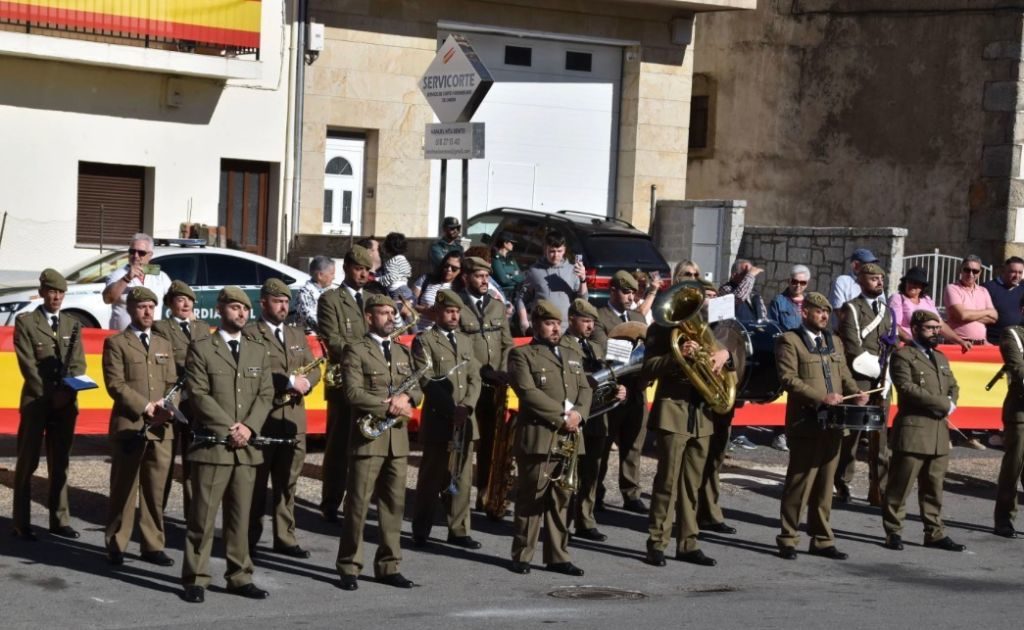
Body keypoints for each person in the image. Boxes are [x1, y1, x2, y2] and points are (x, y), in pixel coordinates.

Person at [182, 286, 273, 603]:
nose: (241, 313)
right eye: (235, 307)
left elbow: (265, 394)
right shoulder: (202, 348)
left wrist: (249, 427)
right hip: (213, 447)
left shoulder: (258, 350)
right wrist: (230, 428)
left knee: (240, 519)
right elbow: (198, 393)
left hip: (246, 448)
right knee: (202, 519)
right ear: (220, 310)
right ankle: (196, 577)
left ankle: (239, 576)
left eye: (245, 309)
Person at [642, 284, 734, 568]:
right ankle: (657, 543)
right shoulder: (660, 330)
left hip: (701, 415)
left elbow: (723, 362)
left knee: (692, 485)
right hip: (673, 411)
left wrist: (725, 356)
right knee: (667, 482)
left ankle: (688, 543)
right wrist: (677, 355)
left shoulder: (703, 328)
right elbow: (648, 368)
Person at [336, 294, 423, 591]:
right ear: (369, 317)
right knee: (357, 505)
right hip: (368, 439)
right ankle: (349, 566)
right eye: (383, 313)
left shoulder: (402, 351)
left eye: (392, 312)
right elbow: (352, 393)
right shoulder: (355, 350)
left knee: (393, 506)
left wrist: (407, 397)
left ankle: (389, 566)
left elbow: (417, 386)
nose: (390, 317)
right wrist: (389, 407)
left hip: (397, 441)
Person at [775, 292, 866, 561]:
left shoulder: (834, 341)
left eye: (827, 312)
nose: (824, 316)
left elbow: (844, 374)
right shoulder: (790, 340)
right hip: (806, 422)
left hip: (834, 424)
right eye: (818, 311)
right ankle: (788, 537)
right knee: (800, 483)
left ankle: (822, 539)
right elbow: (788, 379)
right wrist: (820, 398)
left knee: (826, 486)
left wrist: (856, 392)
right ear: (805, 312)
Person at [507, 300, 592, 576]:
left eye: (558, 323)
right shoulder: (522, 354)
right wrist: (562, 417)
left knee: (561, 500)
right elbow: (527, 392)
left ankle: (558, 556)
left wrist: (579, 414)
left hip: (569, 438)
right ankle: (523, 554)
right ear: (535, 324)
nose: (555, 329)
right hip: (540, 436)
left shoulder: (571, 352)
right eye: (548, 323)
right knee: (532, 498)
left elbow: (585, 389)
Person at [102, 286, 177, 566]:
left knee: (155, 491)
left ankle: (152, 545)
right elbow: (115, 384)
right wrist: (145, 406)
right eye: (142, 307)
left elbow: (173, 383)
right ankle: (116, 543)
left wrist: (167, 405)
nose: (147, 312)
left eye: (151, 307)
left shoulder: (163, 344)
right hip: (130, 425)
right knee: (123, 488)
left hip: (161, 428)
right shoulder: (116, 343)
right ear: (131, 309)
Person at [246, 279, 320, 559]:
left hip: (293, 419)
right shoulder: (250, 334)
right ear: (263, 302)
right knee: (256, 484)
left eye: (286, 302)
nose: (283, 307)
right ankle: (249, 539)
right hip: (263, 419)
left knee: (288, 482)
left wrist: (307, 382)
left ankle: (285, 538)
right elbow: (251, 371)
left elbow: (314, 367)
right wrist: (287, 381)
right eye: (278, 301)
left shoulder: (295, 333)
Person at [11, 269, 87, 541]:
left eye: (61, 292)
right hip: (37, 401)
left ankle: (60, 520)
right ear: (42, 292)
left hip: (65, 403)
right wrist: (49, 394)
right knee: (27, 462)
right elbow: (28, 365)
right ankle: (21, 522)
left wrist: (66, 394)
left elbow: (78, 364)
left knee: (60, 463)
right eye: (52, 291)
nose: (56, 297)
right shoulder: (27, 322)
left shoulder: (72, 324)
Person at [882, 310, 966, 553]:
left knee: (934, 488)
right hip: (914, 431)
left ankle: (934, 532)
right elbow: (907, 388)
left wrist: (952, 402)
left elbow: (953, 385)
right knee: (900, 486)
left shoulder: (940, 357)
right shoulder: (903, 355)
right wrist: (942, 404)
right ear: (916, 329)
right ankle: (893, 531)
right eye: (930, 328)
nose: (935, 332)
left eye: (937, 328)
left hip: (938, 431)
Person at [411, 290, 482, 549]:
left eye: (457, 312)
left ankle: (459, 529)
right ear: (438, 312)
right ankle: (421, 529)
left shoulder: (465, 340)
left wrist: (468, 405)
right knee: (431, 477)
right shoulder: (424, 340)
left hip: (464, 419)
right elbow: (426, 379)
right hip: (439, 419)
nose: (454, 316)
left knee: (461, 476)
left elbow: (474, 377)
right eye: (449, 311)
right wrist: (452, 409)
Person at [317, 244, 378, 523]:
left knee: (368, 445)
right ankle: (331, 502)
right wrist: (367, 356)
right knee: (339, 445)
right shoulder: (331, 299)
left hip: (372, 381)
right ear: (346, 269)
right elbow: (333, 341)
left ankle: (360, 501)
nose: (363, 274)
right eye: (358, 269)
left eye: (367, 270)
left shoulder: (373, 299)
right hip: (344, 380)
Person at [454, 257, 514, 513]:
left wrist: (502, 371)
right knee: (466, 440)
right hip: (469, 384)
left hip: (495, 385)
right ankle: (457, 497)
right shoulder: (456, 305)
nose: (484, 281)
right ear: (466, 277)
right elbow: (458, 346)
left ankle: (486, 494)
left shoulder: (496, 306)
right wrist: (484, 372)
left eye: (486, 277)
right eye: (478, 276)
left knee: (491, 442)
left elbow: (507, 343)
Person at [562, 298, 624, 541]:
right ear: (572, 320)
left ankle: (585, 521)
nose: (590, 327)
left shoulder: (595, 347)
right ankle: (562, 523)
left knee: (592, 472)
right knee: (570, 473)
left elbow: (610, 376)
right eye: (586, 321)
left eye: (593, 322)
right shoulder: (563, 345)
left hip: (597, 418)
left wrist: (618, 390)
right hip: (574, 416)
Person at [834, 263, 893, 506]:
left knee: (880, 436)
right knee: (852, 435)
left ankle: (879, 487)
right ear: (861, 280)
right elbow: (852, 345)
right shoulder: (851, 308)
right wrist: (877, 369)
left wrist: (888, 373)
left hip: (883, 378)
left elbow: (890, 341)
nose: (879, 282)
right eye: (873, 278)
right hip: (860, 377)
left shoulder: (887, 310)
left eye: (881, 278)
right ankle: (842, 483)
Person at [590, 271, 649, 514]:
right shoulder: (599, 316)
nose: (630, 297)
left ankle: (631, 493)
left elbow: (649, 349)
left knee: (633, 444)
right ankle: (595, 493)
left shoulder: (637, 316)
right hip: (612, 390)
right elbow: (604, 351)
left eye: (633, 292)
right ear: (612, 290)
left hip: (637, 389)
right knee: (603, 445)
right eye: (626, 292)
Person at [152, 280, 212, 516]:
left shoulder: (202, 328)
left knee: (194, 459)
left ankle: (192, 516)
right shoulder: (161, 328)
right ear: (170, 304)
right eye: (180, 299)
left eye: (190, 300)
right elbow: (162, 360)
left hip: (196, 401)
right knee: (164, 461)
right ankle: (157, 515)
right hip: (172, 398)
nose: (186, 304)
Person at [718, 259, 766, 450]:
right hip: (730, 347)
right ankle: (725, 436)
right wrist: (750, 276)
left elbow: (762, 318)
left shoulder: (754, 295)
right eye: (744, 273)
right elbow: (736, 301)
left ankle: (738, 432)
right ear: (734, 274)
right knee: (730, 390)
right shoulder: (725, 290)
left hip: (748, 349)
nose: (748, 276)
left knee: (744, 392)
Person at [994, 294, 1024, 538]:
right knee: (1014, 467)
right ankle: (1004, 518)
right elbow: (1018, 369)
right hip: (1020, 413)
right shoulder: (1012, 334)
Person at [517, 230, 588, 333]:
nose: (555, 255)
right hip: (542, 329)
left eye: (559, 251)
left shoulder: (572, 270)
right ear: (545, 249)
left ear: (564, 250)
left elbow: (583, 301)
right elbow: (521, 299)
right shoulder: (535, 271)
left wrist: (583, 279)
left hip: (566, 330)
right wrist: (524, 322)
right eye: (552, 251)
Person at [888, 267, 970, 352]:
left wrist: (960, 341)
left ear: (922, 286)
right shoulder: (897, 299)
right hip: (906, 348)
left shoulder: (927, 300)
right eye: (910, 281)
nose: (912, 285)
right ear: (905, 282)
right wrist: (912, 342)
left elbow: (940, 324)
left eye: (916, 283)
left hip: (928, 348)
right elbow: (894, 326)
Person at [102, 233, 173, 330]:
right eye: (132, 251)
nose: (136, 256)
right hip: (123, 336)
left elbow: (175, 301)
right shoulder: (118, 274)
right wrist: (127, 278)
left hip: (151, 336)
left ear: (150, 255)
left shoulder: (160, 276)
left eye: (141, 253)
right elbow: (108, 299)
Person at [944, 254, 997, 345]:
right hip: (959, 344)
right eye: (967, 270)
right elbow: (962, 315)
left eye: (975, 271)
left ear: (980, 273)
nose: (971, 274)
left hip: (981, 344)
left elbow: (994, 318)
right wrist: (987, 312)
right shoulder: (952, 288)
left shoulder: (983, 291)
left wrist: (968, 316)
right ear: (961, 270)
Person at [414, 251, 463, 332]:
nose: (449, 269)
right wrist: (423, 310)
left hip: (440, 335)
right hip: (417, 330)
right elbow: (409, 303)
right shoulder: (426, 279)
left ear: (460, 271)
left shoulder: (460, 290)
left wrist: (439, 315)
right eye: (446, 265)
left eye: (454, 268)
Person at [983, 256, 1024, 344]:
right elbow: (979, 317)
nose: (1017, 276)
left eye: (1020, 272)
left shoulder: (1022, 289)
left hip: (1017, 342)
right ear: (1003, 270)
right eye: (1013, 272)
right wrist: (984, 339)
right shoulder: (988, 288)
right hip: (994, 341)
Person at [828, 248, 878, 313]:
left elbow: (883, 312)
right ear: (856, 265)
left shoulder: (876, 285)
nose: (872, 269)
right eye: (869, 265)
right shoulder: (842, 282)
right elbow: (839, 313)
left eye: (873, 264)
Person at [295, 255, 336, 333]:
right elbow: (311, 319)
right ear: (320, 275)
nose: (334, 277)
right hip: (310, 337)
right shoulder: (305, 293)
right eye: (332, 274)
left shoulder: (331, 291)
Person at [768, 265, 811, 331]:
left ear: (807, 284)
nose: (798, 285)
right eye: (794, 282)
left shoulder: (810, 302)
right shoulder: (778, 302)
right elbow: (773, 328)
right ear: (788, 281)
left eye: (802, 283)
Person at [378, 232, 414, 304]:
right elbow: (408, 272)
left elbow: (392, 277)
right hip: (406, 290)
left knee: (395, 308)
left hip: (397, 291)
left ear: (388, 247)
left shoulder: (392, 261)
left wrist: (378, 279)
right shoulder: (403, 259)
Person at [491, 231, 525, 300]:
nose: (513, 245)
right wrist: (514, 274)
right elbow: (503, 280)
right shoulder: (496, 259)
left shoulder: (511, 259)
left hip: (514, 293)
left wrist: (509, 275)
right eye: (511, 243)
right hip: (501, 294)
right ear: (505, 243)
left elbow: (521, 276)